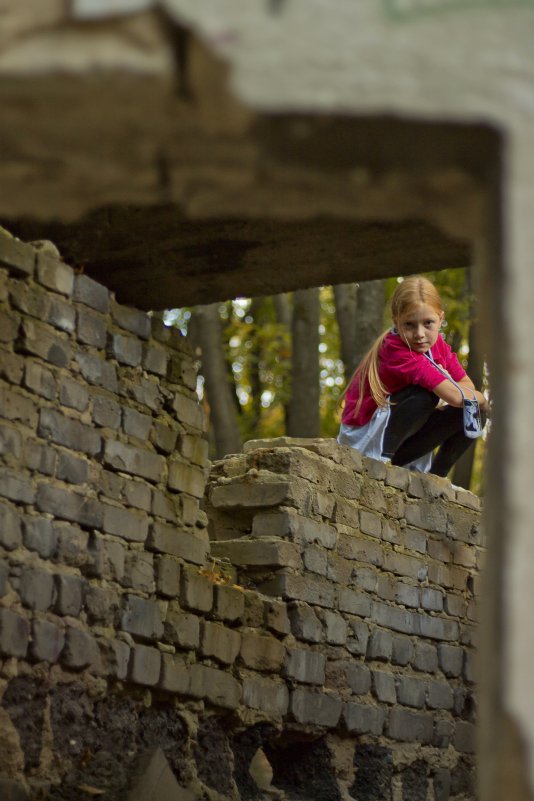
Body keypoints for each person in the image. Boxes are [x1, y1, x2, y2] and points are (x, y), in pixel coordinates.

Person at [337, 275, 488, 477]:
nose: (419, 334)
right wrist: (480, 398)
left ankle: (437, 475)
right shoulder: (396, 350)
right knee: (426, 396)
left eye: (428, 323)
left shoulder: (438, 346)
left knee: (475, 413)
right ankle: (382, 461)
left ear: (440, 319)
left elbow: (465, 385)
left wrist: (477, 401)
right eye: (409, 325)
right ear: (396, 322)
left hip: (404, 431)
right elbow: (455, 396)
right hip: (368, 435)